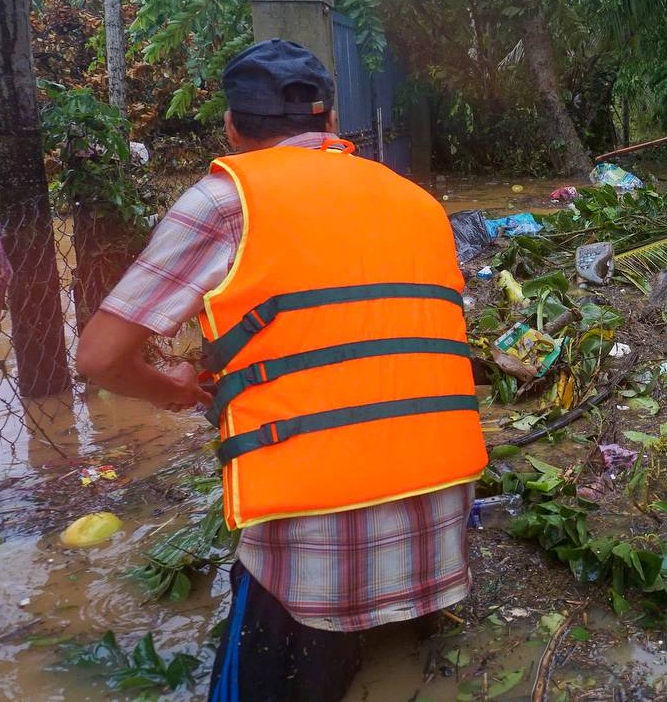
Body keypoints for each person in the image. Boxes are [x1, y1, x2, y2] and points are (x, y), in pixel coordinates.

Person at [76, 39, 487, 702]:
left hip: (313, 569)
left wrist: (173, 388)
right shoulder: (418, 202)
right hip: (441, 533)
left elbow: (97, 357)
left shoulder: (224, 199)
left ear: (234, 129)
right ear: (331, 123)